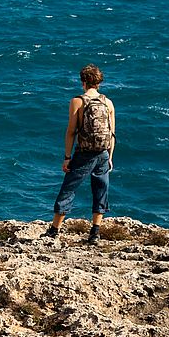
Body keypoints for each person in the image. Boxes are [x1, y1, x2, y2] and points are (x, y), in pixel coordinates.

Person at [43, 64, 115, 244]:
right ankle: (95, 232)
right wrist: (110, 157)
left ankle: (54, 231)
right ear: (99, 82)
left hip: (84, 154)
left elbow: (71, 131)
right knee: (100, 190)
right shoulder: (108, 102)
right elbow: (112, 133)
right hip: (103, 153)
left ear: (83, 82)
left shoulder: (78, 101)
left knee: (68, 189)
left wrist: (67, 157)